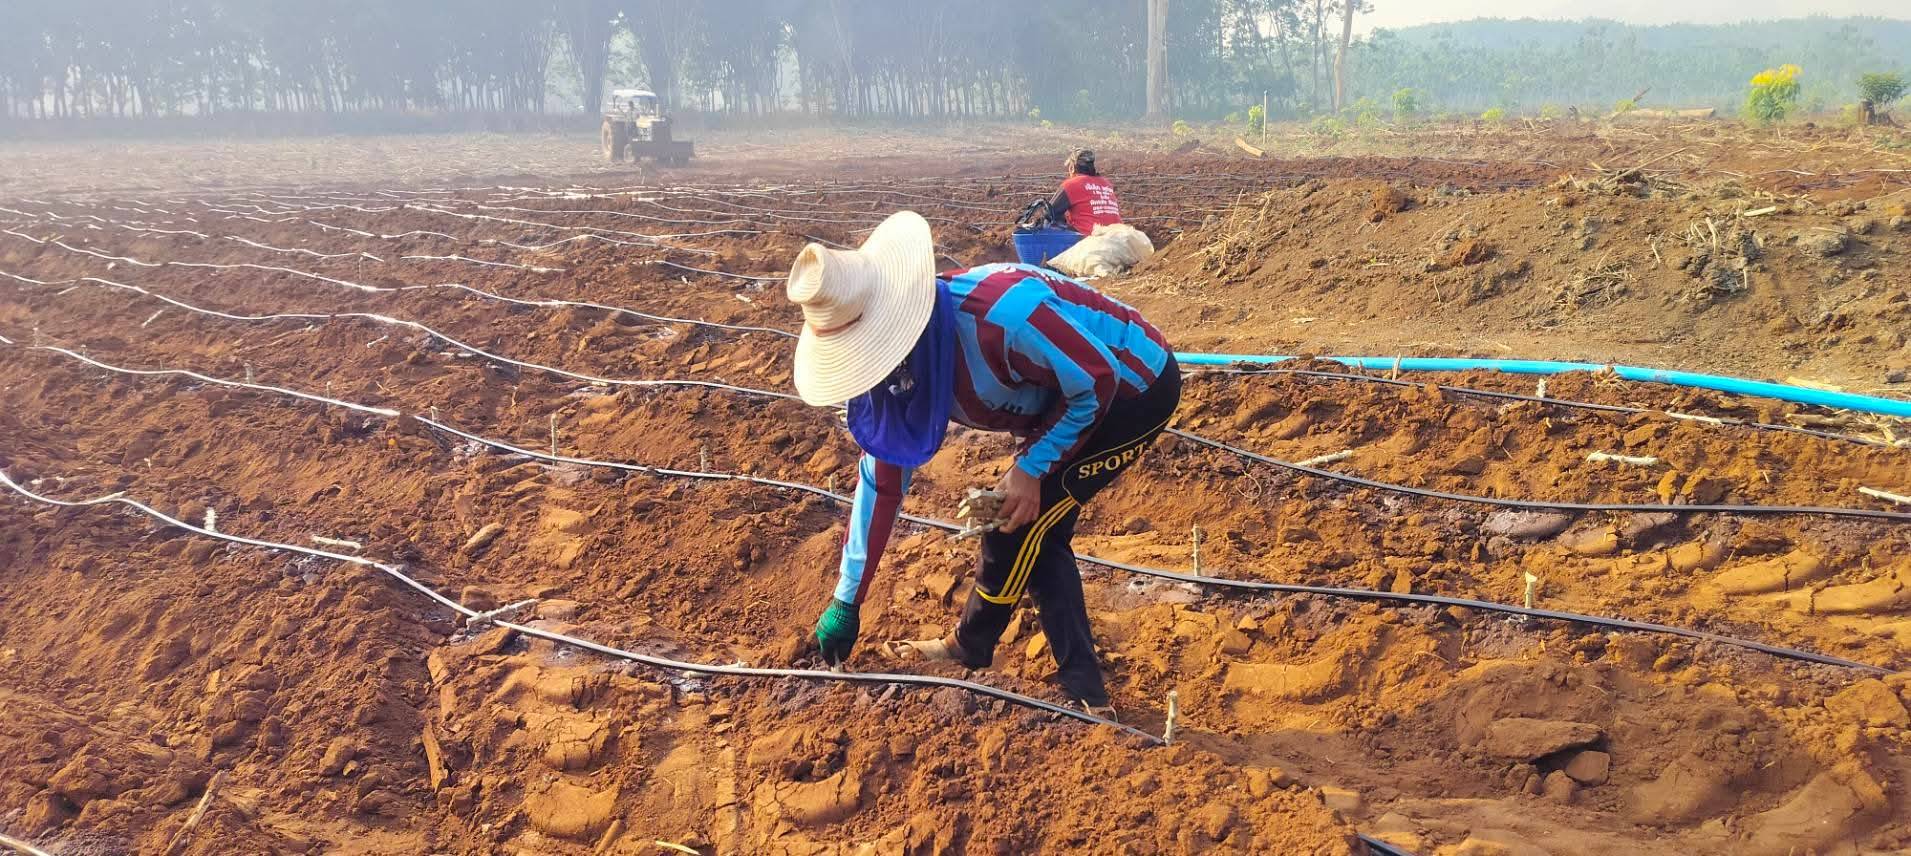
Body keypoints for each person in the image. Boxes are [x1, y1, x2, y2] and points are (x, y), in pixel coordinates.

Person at [787, 210, 1180, 718]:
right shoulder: (897, 370)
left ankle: (1078, 692)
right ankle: (998, 655)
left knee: (1020, 522)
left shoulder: (1003, 319)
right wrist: (847, 600)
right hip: (1065, 398)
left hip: (1133, 389)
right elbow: (881, 478)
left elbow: (1096, 380)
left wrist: (1032, 468)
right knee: (1025, 525)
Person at [1045, 148, 1123, 235]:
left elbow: (1049, 213)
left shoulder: (1071, 184)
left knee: (1048, 225)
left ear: (1072, 168)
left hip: (1089, 237)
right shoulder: (1106, 183)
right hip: (1118, 234)